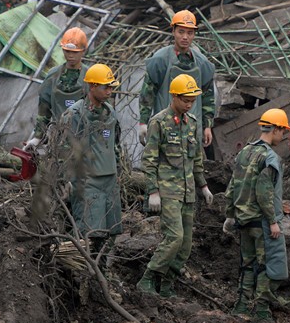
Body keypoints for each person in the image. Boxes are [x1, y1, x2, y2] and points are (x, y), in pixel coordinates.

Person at [137, 74, 214, 298]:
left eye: (192, 100)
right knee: (174, 238)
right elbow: (149, 159)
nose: (189, 104)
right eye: (185, 99)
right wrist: (152, 191)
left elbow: (196, 159)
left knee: (185, 245)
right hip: (167, 191)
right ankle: (148, 278)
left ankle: (167, 285)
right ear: (173, 96)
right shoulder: (159, 122)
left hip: (188, 192)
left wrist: (204, 186)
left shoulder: (193, 123)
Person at [222, 109, 290, 320]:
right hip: (261, 221)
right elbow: (264, 193)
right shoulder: (270, 158)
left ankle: (242, 305)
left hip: (243, 220)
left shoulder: (245, 152)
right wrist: (272, 222)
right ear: (276, 129)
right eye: (283, 131)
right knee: (264, 264)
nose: (284, 136)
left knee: (246, 263)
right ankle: (261, 309)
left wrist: (230, 214)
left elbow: (233, 185)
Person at [57, 64, 122, 268]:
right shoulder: (74, 114)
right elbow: (63, 150)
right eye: (106, 87)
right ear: (92, 86)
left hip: (109, 180)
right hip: (87, 181)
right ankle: (82, 274)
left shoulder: (110, 113)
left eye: (111, 87)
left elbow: (115, 145)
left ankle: (102, 272)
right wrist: (65, 180)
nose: (110, 91)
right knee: (88, 234)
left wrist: (117, 170)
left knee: (111, 232)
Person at [138, 10, 215, 157]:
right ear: (173, 31)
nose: (185, 37)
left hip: (193, 130)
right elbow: (147, 93)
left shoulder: (202, 63)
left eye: (190, 33)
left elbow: (208, 97)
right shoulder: (160, 60)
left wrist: (207, 126)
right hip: (166, 128)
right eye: (181, 32)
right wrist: (143, 122)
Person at [24, 27, 89, 151]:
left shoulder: (90, 76)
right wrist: (38, 136)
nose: (70, 55)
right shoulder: (53, 75)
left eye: (75, 52)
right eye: (67, 51)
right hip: (58, 138)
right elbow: (44, 108)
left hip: (84, 140)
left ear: (83, 51)